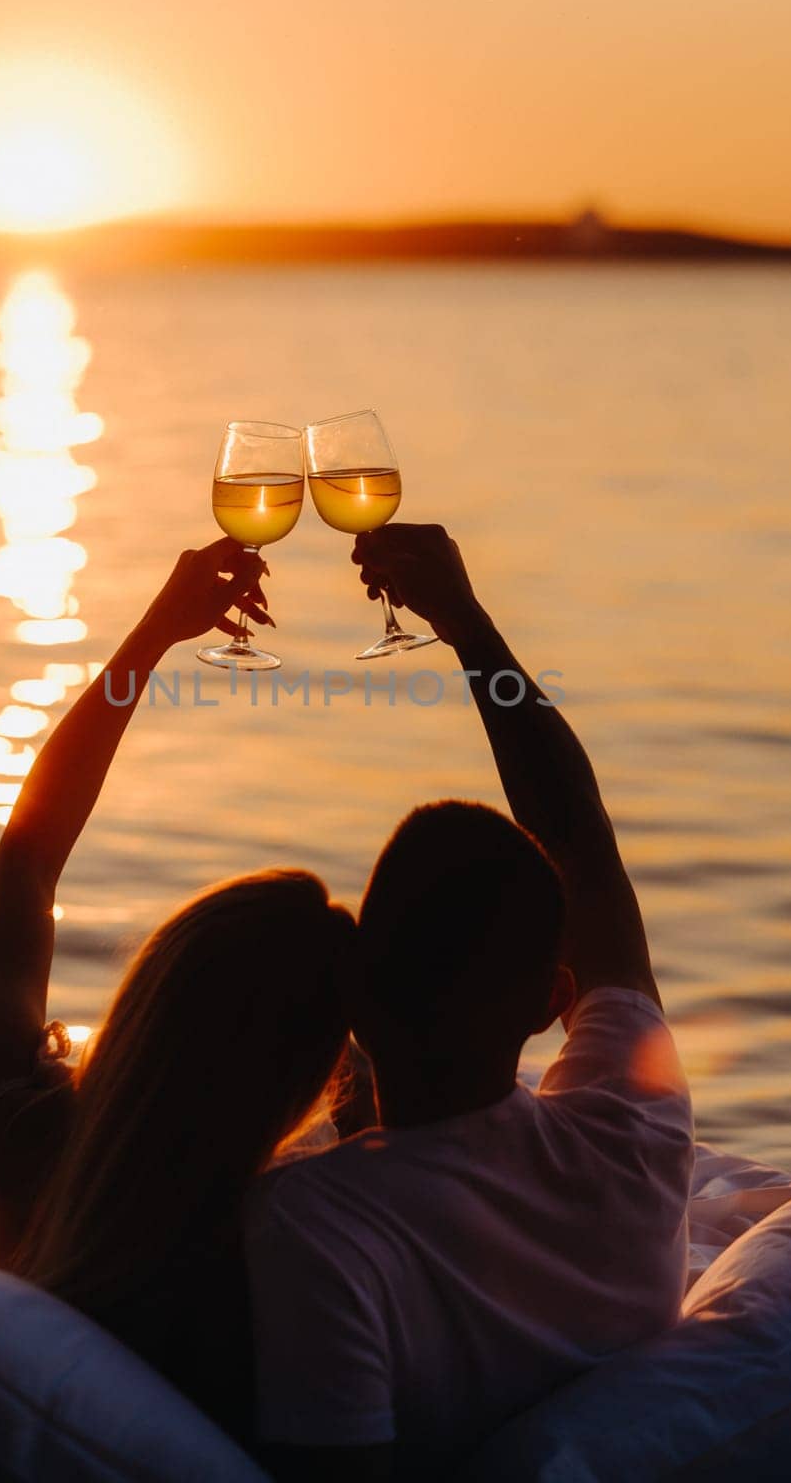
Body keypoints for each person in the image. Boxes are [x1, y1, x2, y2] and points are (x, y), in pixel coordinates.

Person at [244, 524, 695, 1482]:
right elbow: (585, 851)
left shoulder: (315, 1224)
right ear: (551, 1001)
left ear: (352, 991)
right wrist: (467, 625)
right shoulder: (634, 1135)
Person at [0, 539, 353, 1440]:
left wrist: (153, 638)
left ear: (151, 984)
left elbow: (28, 860)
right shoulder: (283, 1259)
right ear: (312, 1077)